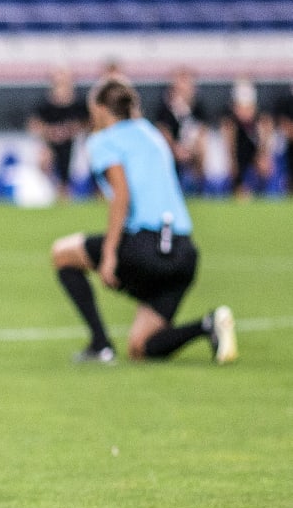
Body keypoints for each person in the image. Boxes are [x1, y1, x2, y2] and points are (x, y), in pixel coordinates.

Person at [50, 76, 236, 365]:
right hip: (183, 254)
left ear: (100, 109)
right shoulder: (150, 132)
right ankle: (208, 325)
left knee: (62, 254)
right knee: (141, 347)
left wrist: (110, 254)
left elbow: (121, 197)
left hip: (147, 248)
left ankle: (100, 345)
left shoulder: (103, 140)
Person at [27, 65, 89, 199]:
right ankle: (53, 191)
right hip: (51, 144)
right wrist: (51, 133)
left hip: (74, 144)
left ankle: (67, 193)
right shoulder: (45, 104)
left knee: (72, 169)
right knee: (45, 160)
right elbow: (34, 125)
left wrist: (71, 130)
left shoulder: (78, 103)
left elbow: (87, 123)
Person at [153, 68, 208, 194]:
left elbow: (201, 131)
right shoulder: (165, 109)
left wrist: (191, 148)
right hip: (172, 149)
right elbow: (163, 132)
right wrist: (175, 148)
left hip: (190, 148)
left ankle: (199, 187)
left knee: (202, 149)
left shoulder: (197, 108)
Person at [221, 78, 274, 199]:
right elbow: (230, 149)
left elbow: (264, 147)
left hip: (254, 154)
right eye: (241, 107)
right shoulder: (231, 124)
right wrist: (232, 162)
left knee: (265, 166)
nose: (245, 112)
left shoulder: (262, 121)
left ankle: (262, 193)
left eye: (248, 108)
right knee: (237, 182)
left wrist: (263, 155)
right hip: (239, 155)